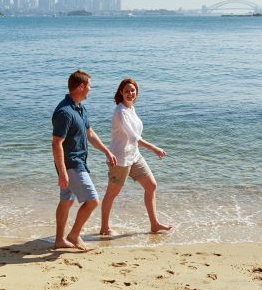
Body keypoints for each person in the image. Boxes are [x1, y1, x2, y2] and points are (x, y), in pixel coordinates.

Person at [52, 70, 116, 250]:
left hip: (78, 161)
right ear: (81, 87)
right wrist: (63, 173)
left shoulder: (79, 108)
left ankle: (59, 240)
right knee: (93, 200)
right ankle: (73, 235)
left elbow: (90, 133)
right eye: (89, 86)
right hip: (72, 164)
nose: (90, 89)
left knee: (67, 200)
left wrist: (106, 151)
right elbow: (56, 143)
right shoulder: (64, 112)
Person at [99, 78, 173, 235]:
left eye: (133, 91)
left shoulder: (130, 108)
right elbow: (133, 137)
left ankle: (154, 224)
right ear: (121, 92)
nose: (130, 93)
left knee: (151, 185)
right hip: (119, 158)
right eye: (127, 91)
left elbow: (134, 138)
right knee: (112, 194)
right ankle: (104, 228)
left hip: (134, 155)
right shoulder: (120, 111)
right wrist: (154, 148)